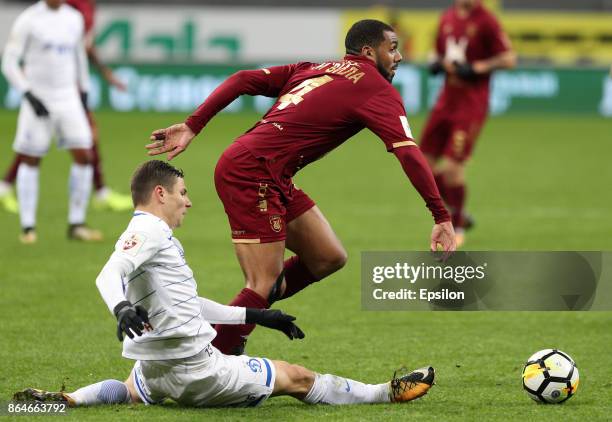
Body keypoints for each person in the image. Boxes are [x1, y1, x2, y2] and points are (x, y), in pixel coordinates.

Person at [13, 160, 435, 408]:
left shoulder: (154, 239)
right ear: (160, 194)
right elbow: (108, 273)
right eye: (182, 192)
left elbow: (186, 303)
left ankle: (66, 400)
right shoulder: (149, 233)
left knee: (126, 390)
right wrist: (120, 307)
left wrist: (256, 314)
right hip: (198, 372)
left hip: (154, 372)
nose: (188, 201)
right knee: (298, 378)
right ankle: (386, 393)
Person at [146, 19, 456, 356]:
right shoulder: (375, 88)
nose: (398, 56)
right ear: (369, 52)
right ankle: (211, 358)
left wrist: (194, 125)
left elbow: (241, 79)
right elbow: (408, 153)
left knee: (327, 257)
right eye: (392, 48)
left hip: (269, 172)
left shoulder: (315, 67)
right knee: (263, 281)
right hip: (252, 171)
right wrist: (440, 214)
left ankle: (238, 315)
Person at [0, 0, 132, 215]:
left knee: (65, 141)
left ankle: (5, 187)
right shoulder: (69, 5)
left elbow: (82, 46)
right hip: (57, 86)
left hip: (71, 85)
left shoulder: (86, 6)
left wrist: (103, 73)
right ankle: (99, 194)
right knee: (41, 144)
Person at [421, 0, 516, 246]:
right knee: (423, 167)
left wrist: (477, 67)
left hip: (470, 105)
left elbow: (509, 58)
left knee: (453, 169)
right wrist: (434, 61)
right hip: (445, 102)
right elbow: (438, 51)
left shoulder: (487, 20)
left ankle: (458, 224)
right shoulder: (447, 17)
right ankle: (460, 213)